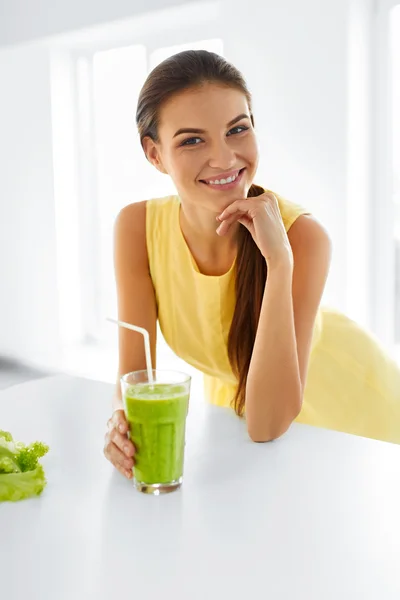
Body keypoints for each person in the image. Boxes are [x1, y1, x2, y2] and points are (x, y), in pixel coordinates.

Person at [103, 50, 400, 479]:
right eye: (192, 140)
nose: (224, 158)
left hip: (354, 416)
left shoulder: (302, 236)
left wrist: (279, 264)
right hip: (243, 416)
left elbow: (268, 424)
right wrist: (120, 422)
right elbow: (134, 376)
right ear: (154, 154)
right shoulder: (137, 228)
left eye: (237, 129)